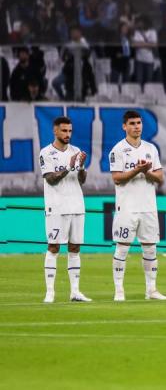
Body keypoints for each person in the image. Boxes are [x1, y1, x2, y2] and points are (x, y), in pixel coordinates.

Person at [109, 110, 166, 301]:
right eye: (133, 123)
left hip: (148, 206)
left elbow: (160, 177)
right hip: (127, 207)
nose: (137, 127)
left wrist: (147, 172)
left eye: (139, 123)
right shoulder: (117, 150)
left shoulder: (151, 149)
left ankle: (151, 290)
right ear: (124, 126)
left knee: (150, 248)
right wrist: (137, 170)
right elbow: (117, 178)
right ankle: (119, 290)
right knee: (122, 248)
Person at [40, 116, 90, 303]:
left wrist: (82, 166)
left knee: (75, 248)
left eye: (69, 130)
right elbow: (50, 179)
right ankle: (50, 292)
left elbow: (82, 180)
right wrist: (68, 167)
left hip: (76, 204)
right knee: (53, 247)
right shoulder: (46, 153)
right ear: (55, 131)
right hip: (56, 206)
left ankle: (75, 291)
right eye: (64, 130)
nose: (68, 134)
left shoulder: (76, 151)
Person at [132, 17, 158, 85]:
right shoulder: (137, 32)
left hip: (149, 60)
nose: (140, 24)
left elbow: (154, 44)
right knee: (138, 80)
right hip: (139, 60)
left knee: (149, 80)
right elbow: (135, 44)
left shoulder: (152, 31)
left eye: (141, 22)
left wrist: (140, 44)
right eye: (139, 22)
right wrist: (148, 44)